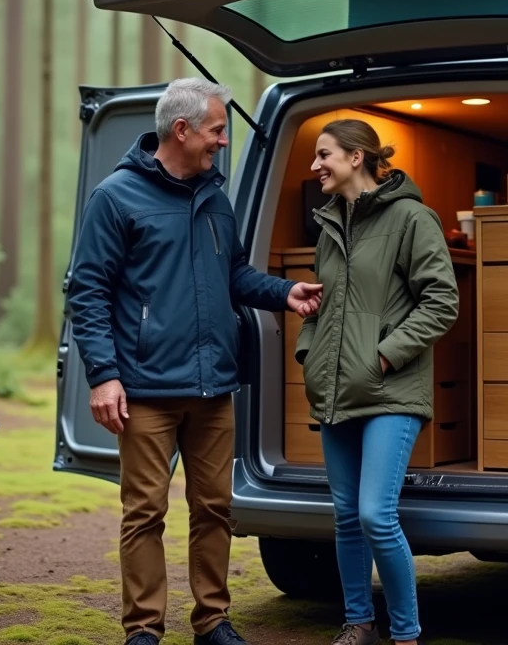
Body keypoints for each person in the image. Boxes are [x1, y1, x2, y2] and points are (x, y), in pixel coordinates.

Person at [67, 78, 323, 645]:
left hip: (213, 389)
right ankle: (143, 629)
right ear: (180, 130)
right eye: (216, 130)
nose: (223, 142)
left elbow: (230, 273)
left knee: (215, 508)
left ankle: (211, 620)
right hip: (146, 389)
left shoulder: (213, 196)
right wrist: (104, 376)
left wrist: (284, 293)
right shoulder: (115, 197)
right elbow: (88, 292)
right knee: (145, 513)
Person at [295, 119, 459, 645]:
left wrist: (384, 357)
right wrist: (309, 352)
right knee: (345, 516)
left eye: (324, 155)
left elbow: (442, 301)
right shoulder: (329, 225)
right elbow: (319, 307)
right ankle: (358, 623)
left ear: (357, 157)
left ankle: (406, 634)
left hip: (390, 392)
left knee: (375, 514)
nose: (315, 165)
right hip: (337, 390)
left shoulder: (412, 218)